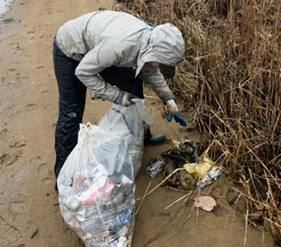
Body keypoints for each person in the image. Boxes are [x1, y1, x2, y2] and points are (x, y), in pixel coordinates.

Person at [52, 10, 186, 178]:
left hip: (99, 47)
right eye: (161, 61)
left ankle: (142, 135)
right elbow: (84, 72)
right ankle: (64, 174)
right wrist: (116, 95)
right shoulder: (120, 46)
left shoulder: (149, 42)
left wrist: (169, 99)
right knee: (71, 113)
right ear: (153, 52)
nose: (160, 66)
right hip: (69, 49)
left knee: (133, 87)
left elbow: (151, 71)